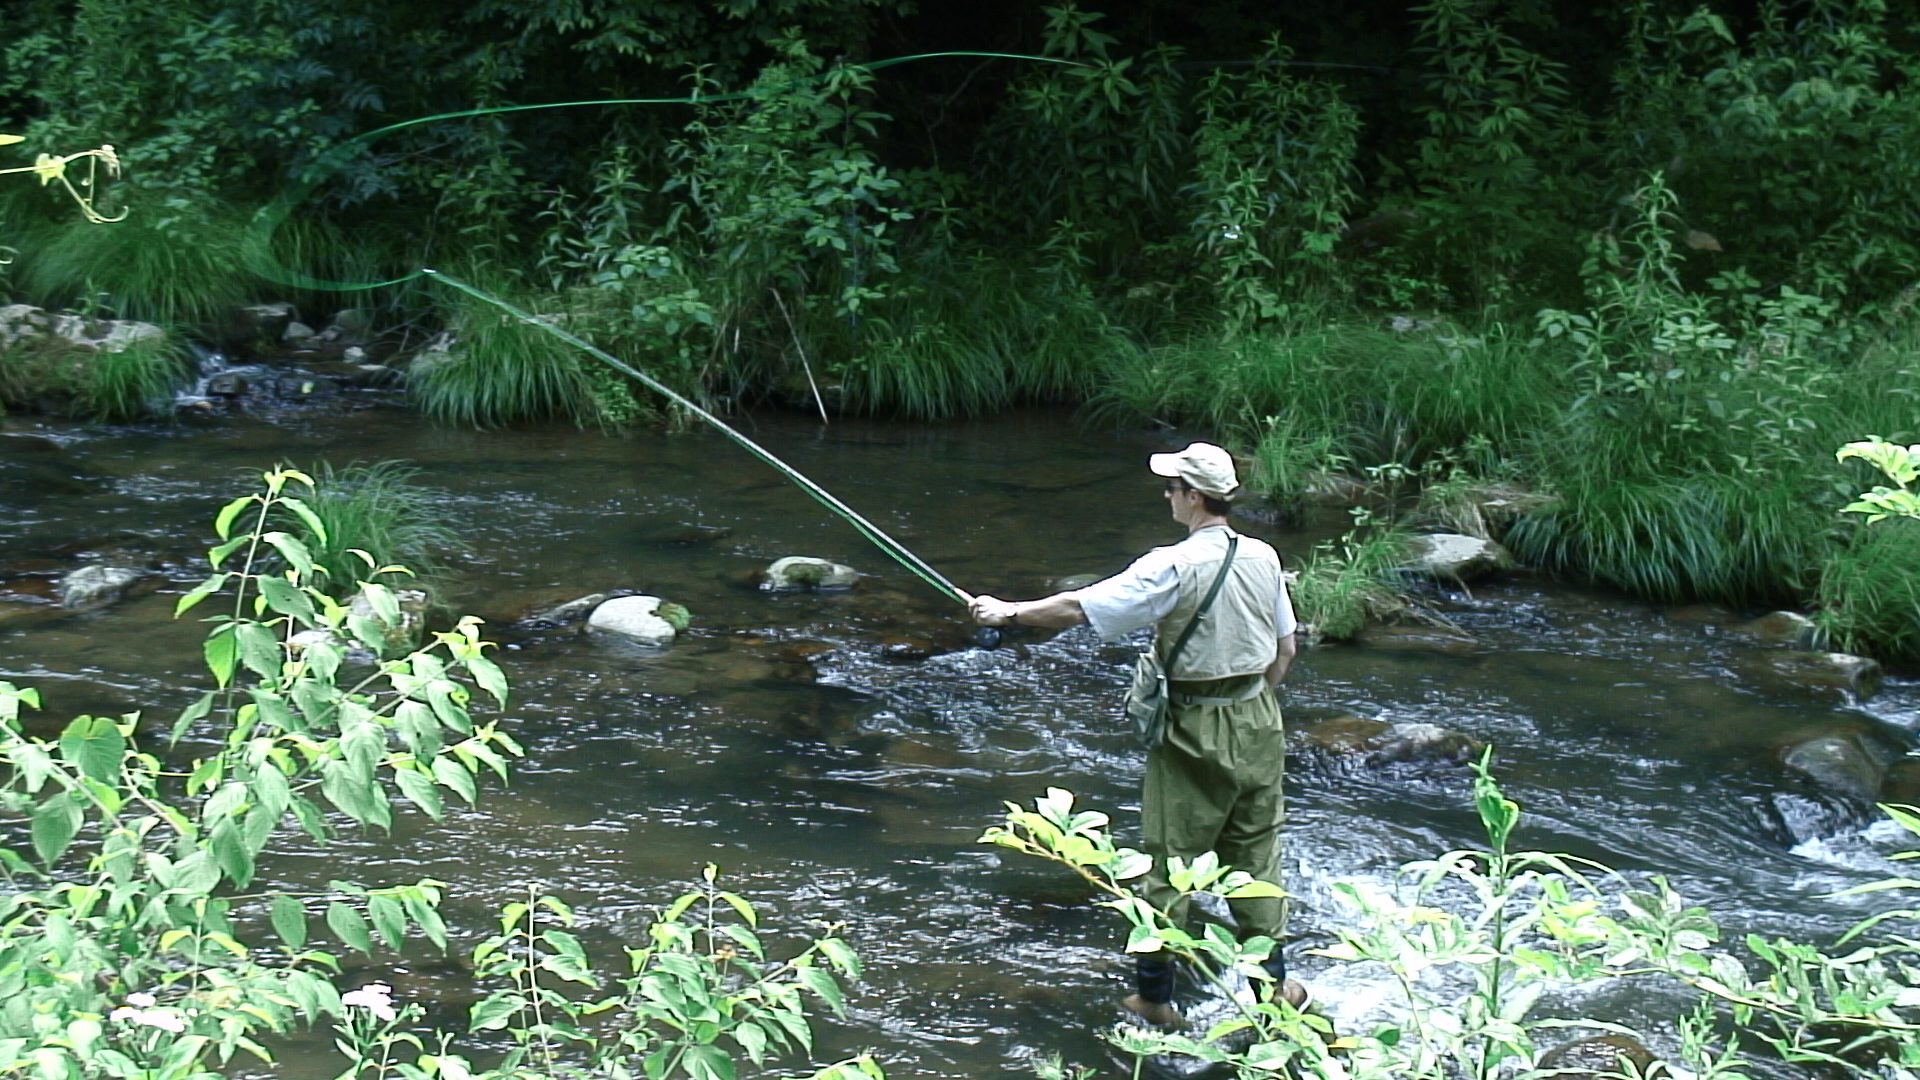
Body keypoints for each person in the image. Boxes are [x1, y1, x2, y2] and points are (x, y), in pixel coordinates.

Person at [970, 442, 1305, 1027]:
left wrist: (1008, 613)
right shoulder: (1263, 557)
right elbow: (1285, 651)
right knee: (1257, 857)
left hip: (1194, 725)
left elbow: (1079, 609)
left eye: (1172, 487)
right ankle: (1274, 993)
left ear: (1194, 498)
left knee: (1169, 862)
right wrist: (1250, 705)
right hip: (1259, 717)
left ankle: (1155, 999)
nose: (1167, 494)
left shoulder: (1171, 565)